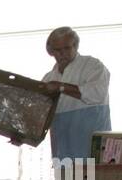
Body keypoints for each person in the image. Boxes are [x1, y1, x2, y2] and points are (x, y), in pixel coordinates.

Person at [41, 26, 110, 166]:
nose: (62, 54)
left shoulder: (92, 66)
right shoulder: (48, 79)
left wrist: (61, 87)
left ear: (75, 46)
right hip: (62, 150)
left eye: (67, 48)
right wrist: (21, 136)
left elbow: (97, 94)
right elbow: (41, 116)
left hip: (91, 147)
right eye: (57, 50)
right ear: (50, 52)